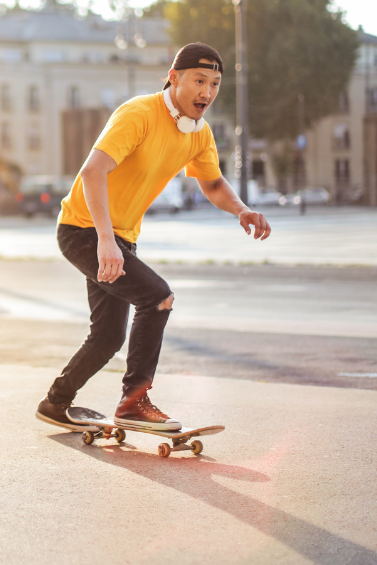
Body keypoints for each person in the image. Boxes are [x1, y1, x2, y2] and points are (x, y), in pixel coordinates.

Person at [36, 42, 271, 431]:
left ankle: (56, 402)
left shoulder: (198, 133)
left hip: (118, 237)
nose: (207, 93)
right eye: (199, 81)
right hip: (83, 229)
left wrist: (242, 209)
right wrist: (106, 241)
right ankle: (133, 401)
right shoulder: (138, 114)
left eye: (214, 84)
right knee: (157, 298)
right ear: (173, 78)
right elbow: (93, 172)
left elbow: (212, 184)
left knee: (109, 336)